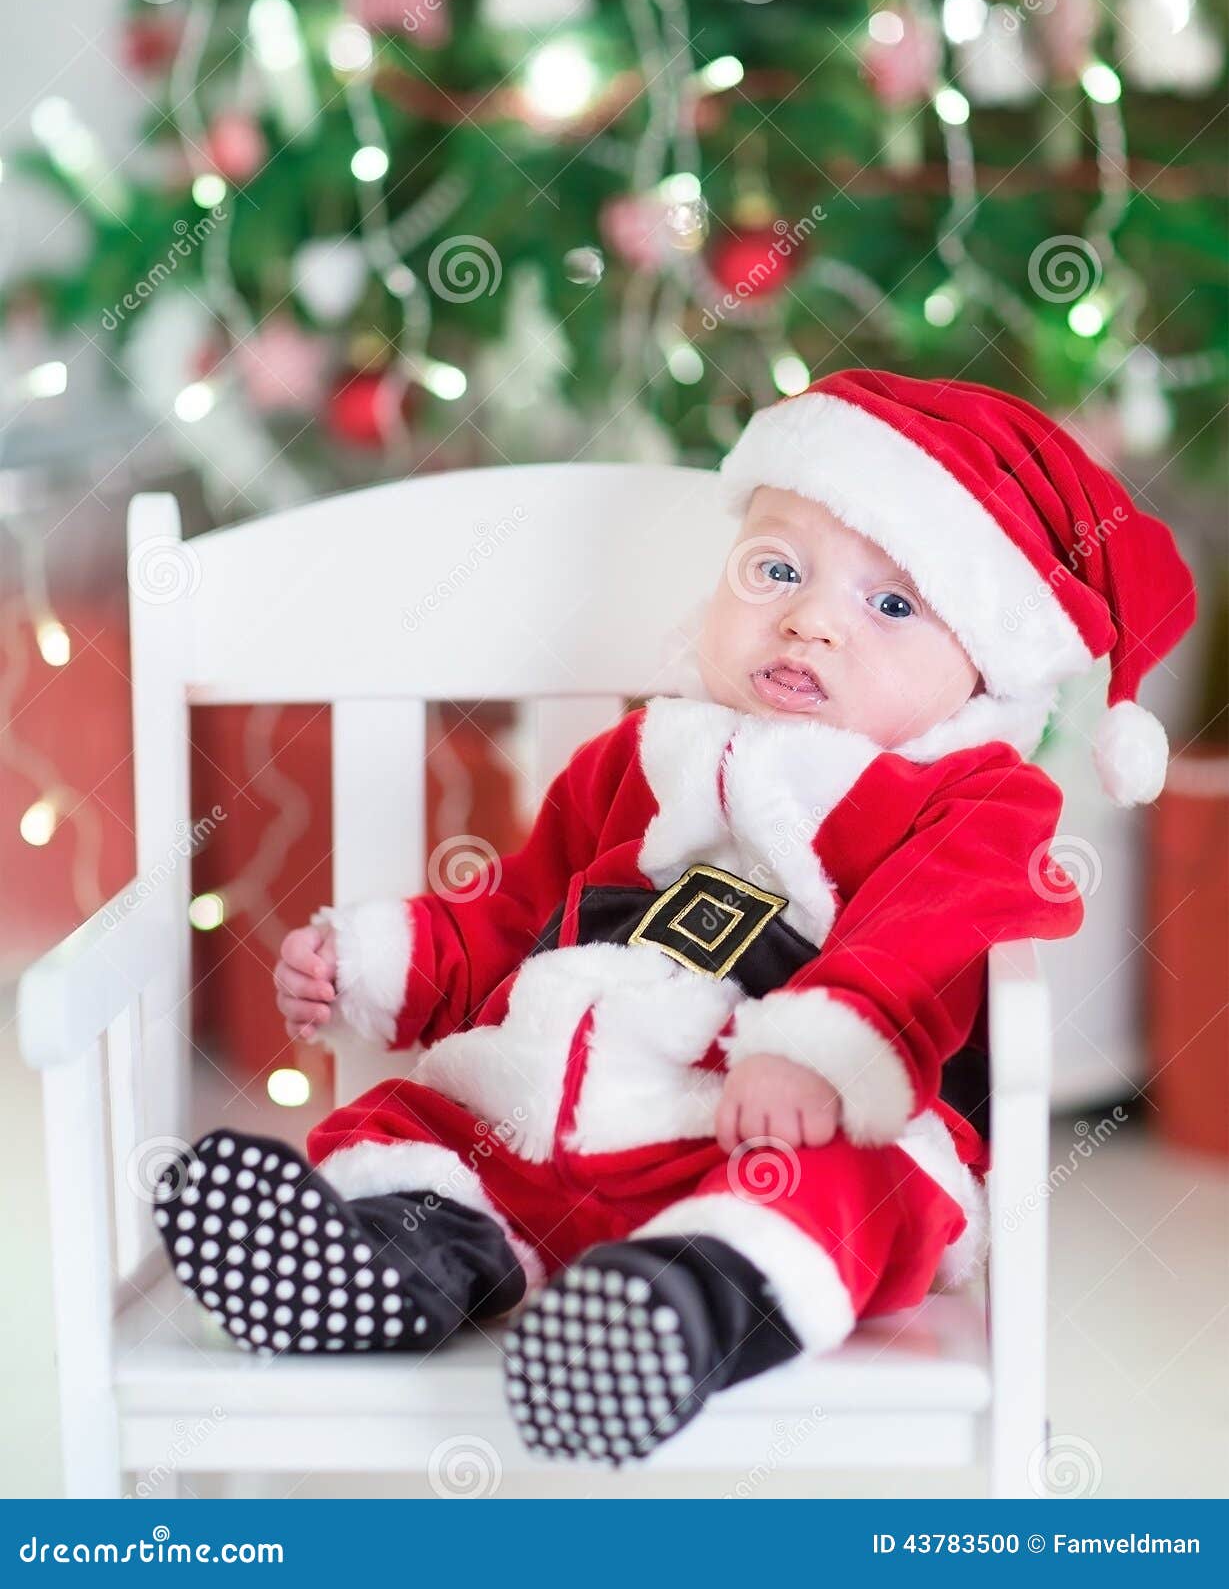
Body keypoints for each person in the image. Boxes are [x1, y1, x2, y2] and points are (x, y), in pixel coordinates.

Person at [155, 368, 1196, 1466]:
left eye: (890, 605)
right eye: (775, 570)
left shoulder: (966, 798)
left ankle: (670, 1315)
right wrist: (381, 959)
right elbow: (515, 908)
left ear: (984, 669)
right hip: (542, 1108)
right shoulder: (640, 755)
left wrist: (818, 1050)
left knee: (853, 1190)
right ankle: (369, 1265)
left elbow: (927, 937)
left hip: (757, 1131)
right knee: (421, 1128)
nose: (806, 621)